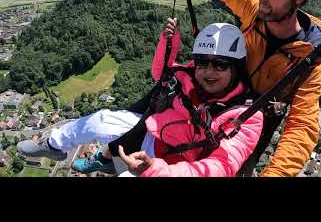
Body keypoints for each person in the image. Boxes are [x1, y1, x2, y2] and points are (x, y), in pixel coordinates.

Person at [17, 22, 263, 177]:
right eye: (202, 62)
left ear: (236, 67)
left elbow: (222, 167)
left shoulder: (245, 115)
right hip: (152, 136)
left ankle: (107, 161)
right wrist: (169, 43)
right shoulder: (189, 75)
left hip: (176, 166)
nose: (208, 72)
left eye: (220, 65)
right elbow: (161, 73)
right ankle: (53, 145)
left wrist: (157, 171)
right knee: (100, 119)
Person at [195, 0, 321, 177]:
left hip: (251, 128)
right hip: (218, 104)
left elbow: (301, 127)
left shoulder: (308, 59)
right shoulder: (254, 12)